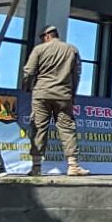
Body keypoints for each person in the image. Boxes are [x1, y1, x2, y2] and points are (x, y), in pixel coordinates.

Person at [22, 24, 89, 177]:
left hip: (41, 94)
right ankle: (73, 166)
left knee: (39, 128)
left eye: (42, 38)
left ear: (47, 36)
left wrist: (26, 87)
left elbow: (29, 71)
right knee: (67, 129)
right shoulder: (72, 49)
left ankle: (36, 167)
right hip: (63, 95)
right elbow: (76, 73)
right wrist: (72, 93)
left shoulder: (39, 50)